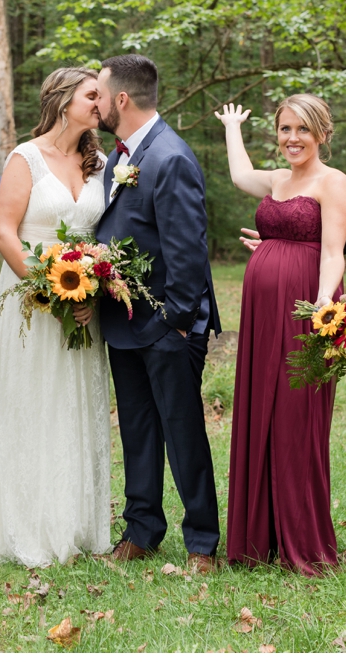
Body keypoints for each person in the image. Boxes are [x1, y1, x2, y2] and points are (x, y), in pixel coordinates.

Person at [0, 67, 111, 564]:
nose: (101, 103)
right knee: (31, 400)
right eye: (93, 95)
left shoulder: (100, 163)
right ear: (64, 99)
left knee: (73, 402)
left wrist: (91, 289)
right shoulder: (25, 158)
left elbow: (103, 235)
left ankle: (72, 522)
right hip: (31, 297)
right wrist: (47, 288)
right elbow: (4, 232)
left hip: (84, 302)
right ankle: (24, 524)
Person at [216, 95, 346, 573]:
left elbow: (334, 251)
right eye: (285, 129)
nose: (292, 138)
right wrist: (233, 126)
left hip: (303, 309)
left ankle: (302, 539)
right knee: (261, 410)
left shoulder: (332, 182)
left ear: (321, 133)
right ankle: (259, 537)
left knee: (297, 416)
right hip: (261, 313)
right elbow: (239, 175)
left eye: (302, 129)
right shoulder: (277, 179)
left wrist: (320, 304)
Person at [94, 54, 220, 568]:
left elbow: (188, 251)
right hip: (125, 323)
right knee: (137, 430)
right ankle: (142, 529)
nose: (96, 104)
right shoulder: (122, 156)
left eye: (99, 95)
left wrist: (177, 321)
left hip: (169, 327)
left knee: (182, 431)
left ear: (122, 99)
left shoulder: (170, 157)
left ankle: (202, 542)